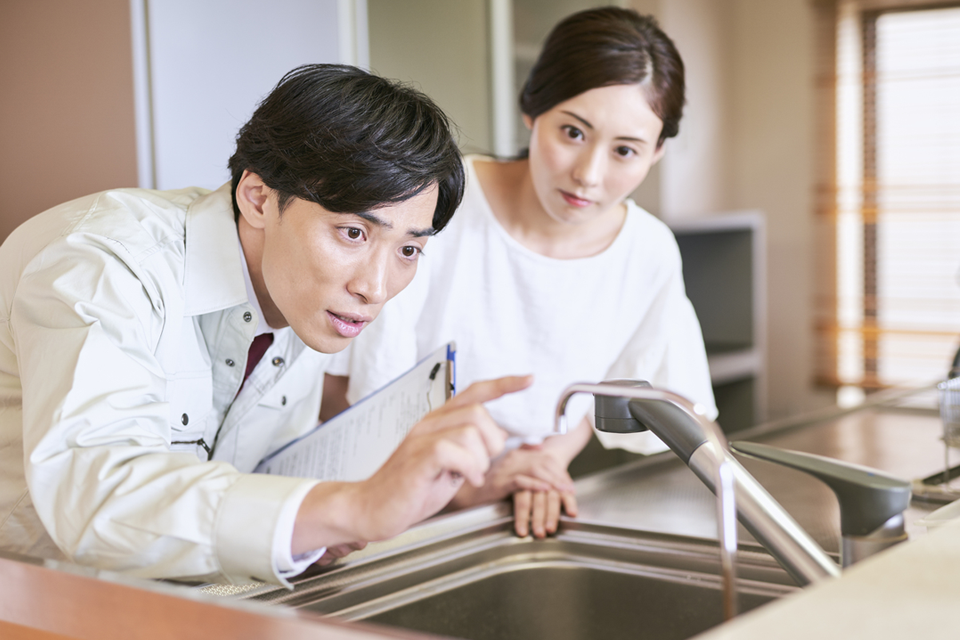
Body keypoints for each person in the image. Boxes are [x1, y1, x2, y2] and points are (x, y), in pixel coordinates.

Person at [0, 64, 531, 586]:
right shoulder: (102, 264)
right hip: (30, 594)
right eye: (351, 233)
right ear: (257, 197)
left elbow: (242, 490)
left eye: (409, 249)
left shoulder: (299, 300)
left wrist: (316, 529)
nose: (376, 287)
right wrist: (344, 507)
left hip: (158, 598)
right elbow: (96, 495)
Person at [328, 8, 717, 539]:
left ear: (657, 153)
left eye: (625, 150)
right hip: (369, 506)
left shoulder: (647, 252)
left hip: (512, 513)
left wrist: (543, 463)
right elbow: (339, 382)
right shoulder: (430, 205)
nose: (589, 174)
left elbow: (608, 392)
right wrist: (461, 483)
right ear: (532, 109)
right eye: (573, 132)